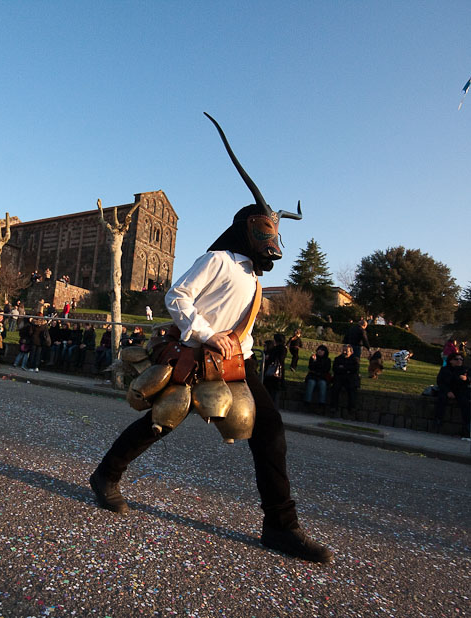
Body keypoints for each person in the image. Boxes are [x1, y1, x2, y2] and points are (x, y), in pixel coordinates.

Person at [89, 114, 332, 563]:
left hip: (238, 363)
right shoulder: (218, 259)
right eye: (265, 230)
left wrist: (242, 347)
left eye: (275, 232)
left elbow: (246, 327)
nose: (272, 239)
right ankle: (106, 475)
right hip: (196, 357)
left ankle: (280, 525)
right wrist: (205, 334)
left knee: (270, 431)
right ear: (248, 229)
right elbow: (176, 295)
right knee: (160, 422)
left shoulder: (253, 279)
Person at [433, 352, 470, 439]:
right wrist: (448, 391)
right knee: (442, 399)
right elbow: (441, 382)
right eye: (456, 359)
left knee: (465, 403)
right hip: (448, 390)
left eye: (461, 359)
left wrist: (466, 379)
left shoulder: (465, 370)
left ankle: (467, 426)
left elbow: (468, 380)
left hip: (460, 391)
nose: (459, 361)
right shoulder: (445, 370)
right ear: (451, 361)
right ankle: (438, 420)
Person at [331, 344, 359, 415]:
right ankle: (334, 407)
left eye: (346, 351)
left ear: (351, 352)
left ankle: (351, 408)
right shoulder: (338, 359)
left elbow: (354, 369)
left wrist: (343, 368)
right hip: (339, 379)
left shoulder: (354, 360)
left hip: (350, 380)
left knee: (352, 390)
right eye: (343, 350)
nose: (345, 352)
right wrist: (347, 369)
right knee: (335, 389)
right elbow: (335, 369)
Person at [263, 333, 286, 408]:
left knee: (271, 392)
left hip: (272, 372)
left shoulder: (275, 349)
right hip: (279, 373)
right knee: (275, 393)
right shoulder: (283, 349)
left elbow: (272, 359)